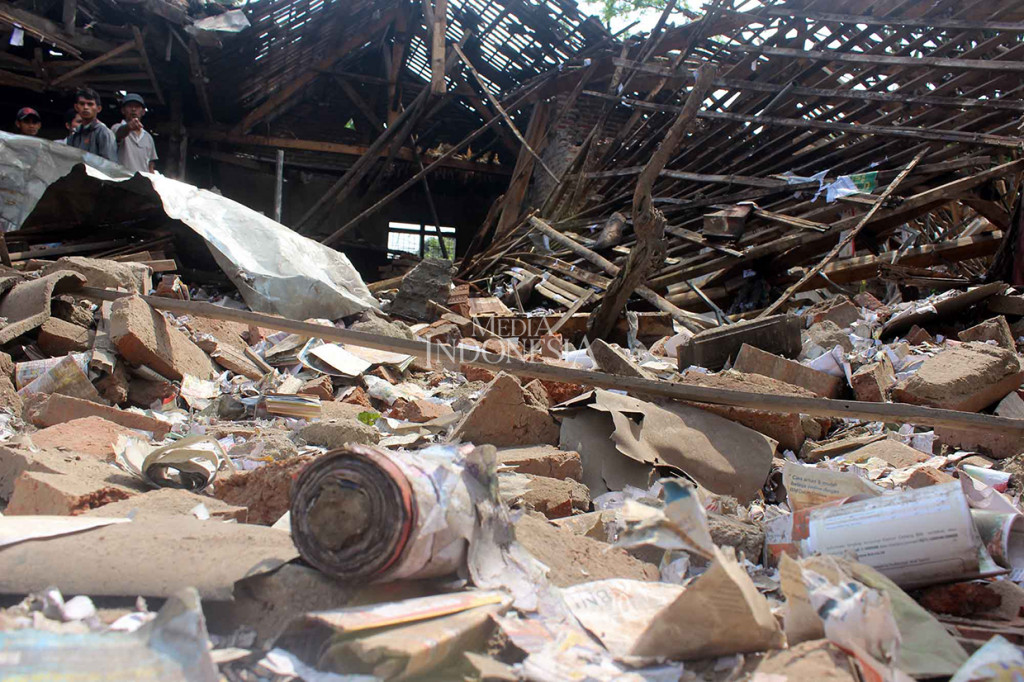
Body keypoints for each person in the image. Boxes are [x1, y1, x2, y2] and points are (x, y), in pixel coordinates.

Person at [65, 88, 117, 162]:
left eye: (90, 104)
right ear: (76, 107)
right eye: (82, 104)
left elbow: (110, 164)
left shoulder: (103, 132)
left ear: (98, 109)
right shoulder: (75, 134)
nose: (85, 107)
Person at [111, 93, 157, 173]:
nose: (133, 109)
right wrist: (128, 127)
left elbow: (150, 164)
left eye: (137, 107)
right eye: (129, 106)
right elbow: (119, 134)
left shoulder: (148, 137)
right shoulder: (116, 127)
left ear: (143, 112)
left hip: (141, 182)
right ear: (123, 110)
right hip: (121, 180)